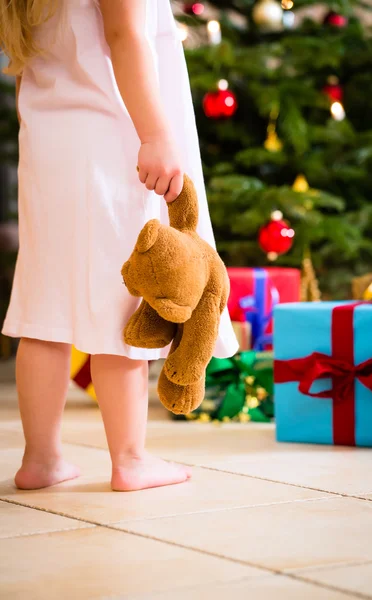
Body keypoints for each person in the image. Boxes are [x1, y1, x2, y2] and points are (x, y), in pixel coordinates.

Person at [0, 0, 238, 492]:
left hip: (48, 143)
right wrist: (154, 135)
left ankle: (40, 459)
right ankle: (130, 460)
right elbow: (126, 35)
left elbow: (26, 66)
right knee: (124, 296)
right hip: (114, 141)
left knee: (43, 304)